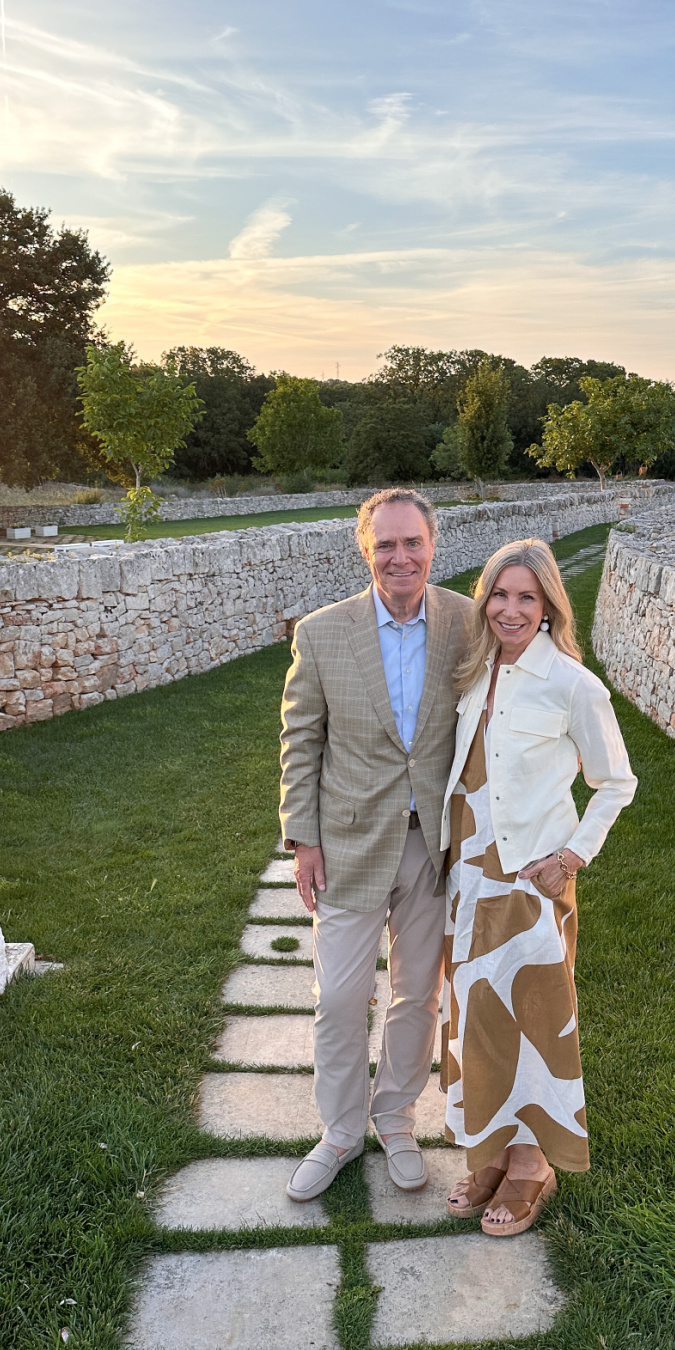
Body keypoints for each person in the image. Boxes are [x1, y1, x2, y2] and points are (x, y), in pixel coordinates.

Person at [279, 488, 472, 1202]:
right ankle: (339, 1132)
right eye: (385, 544)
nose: (400, 557)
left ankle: (395, 1119)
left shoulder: (466, 623)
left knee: (418, 995)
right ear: (365, 550)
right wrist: (303, 839)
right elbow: (302, 740)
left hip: (432, 846)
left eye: (412, 542)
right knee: (339, 997)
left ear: (432, 545)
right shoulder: (322, 634)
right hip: (349, 844)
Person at [439, 537, 637, 1236]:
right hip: (468, 877)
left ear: (550, 605)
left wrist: (571, 857)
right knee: (478, 1018)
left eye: (527, 597)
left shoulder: (572, 684)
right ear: (484, 600)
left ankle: (532, 1165)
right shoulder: (475, 673)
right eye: (499, 594)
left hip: (529, 882)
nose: (511, 609)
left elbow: (617, 782)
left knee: (532, 1020)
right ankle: (491, 1152)